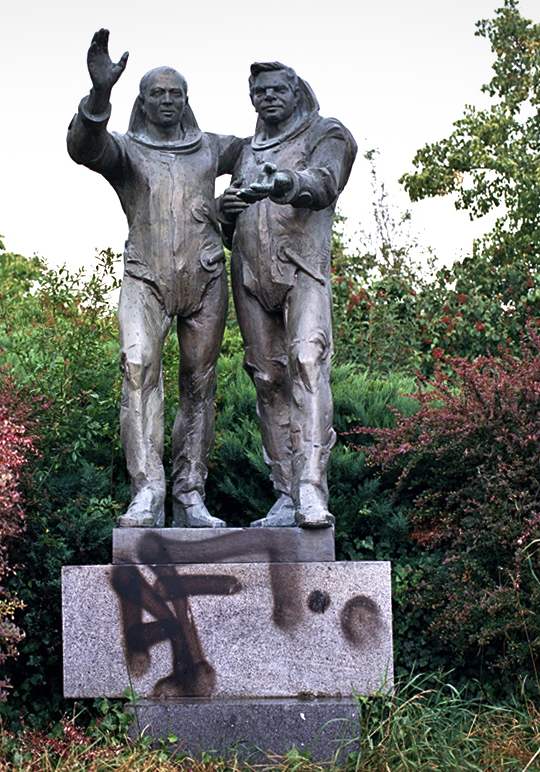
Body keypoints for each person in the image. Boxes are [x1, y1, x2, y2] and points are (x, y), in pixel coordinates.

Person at [67, 29, 244, 528]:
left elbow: (261, 150)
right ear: (141, 102)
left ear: (187, 101)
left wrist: (237, 208)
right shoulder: (126, 151)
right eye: (156, 94)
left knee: (199, 384)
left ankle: (190, 495)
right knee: (137, 368)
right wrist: (100, 92)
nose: (166, 101)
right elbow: (84, 146)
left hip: (206, 278)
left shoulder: (211, 148)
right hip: (145, 276)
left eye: (175, 94)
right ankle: (147, 491)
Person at [220, 62, 357, 529]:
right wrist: (226, 211)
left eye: (278, 89)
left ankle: (311, 489)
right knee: (266, 378)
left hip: (303, 271)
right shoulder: (245, 149)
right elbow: (230, 222)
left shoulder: (328, 132)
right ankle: (284, 493)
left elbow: (325, 181)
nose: (268, 97)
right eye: (259, 91)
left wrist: (289, 182)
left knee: (308, 363)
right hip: (250, 275)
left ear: (296, 92)